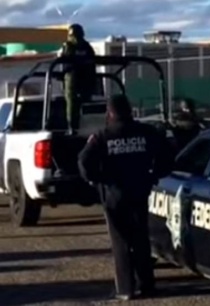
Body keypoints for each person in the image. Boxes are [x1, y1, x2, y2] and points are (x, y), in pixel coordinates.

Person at [78, 94, 173, 301]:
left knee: (120, 241)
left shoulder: (102, 136)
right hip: (139, 191)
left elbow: (84, 162)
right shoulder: (146, 132)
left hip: (114, 195)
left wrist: (99, 179)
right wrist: (154, 174)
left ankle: (125, 288)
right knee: (141, 239)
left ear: (110, 113)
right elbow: (168, 154)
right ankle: (147, 285)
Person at [59, 23, 96, 133]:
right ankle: (76, 126)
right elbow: (92, 62)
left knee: (71, 102)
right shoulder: (87, 46)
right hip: (86, 80)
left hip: (74, 79)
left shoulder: (69, 46)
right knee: (81, 102)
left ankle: (72, 126)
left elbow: (64, 61)